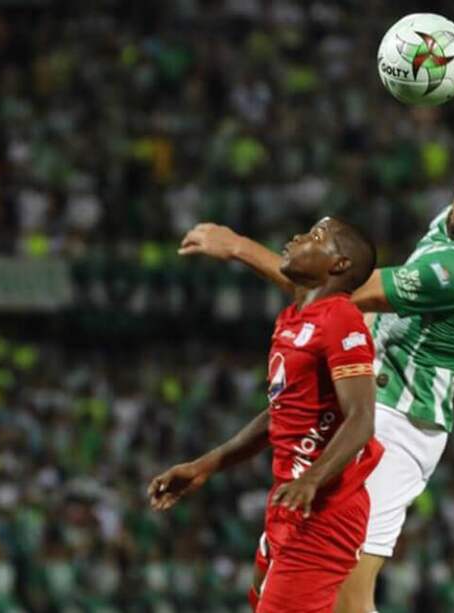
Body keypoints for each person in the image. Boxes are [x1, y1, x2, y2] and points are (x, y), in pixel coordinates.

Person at [178, 149, 454, 612]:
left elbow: (332, 295)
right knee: (275, 566)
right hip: (368, 391)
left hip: (397, 419)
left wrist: (238, 247)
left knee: (346, 594)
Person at [149, 217, 384, 612]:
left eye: (316, 236)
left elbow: (361, 416)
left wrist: (312, 479)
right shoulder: (293, 319)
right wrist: (205, 466)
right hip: (290, 501)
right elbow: (282, 414)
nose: (298, 237)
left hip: (325, 511)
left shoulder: (341, 318)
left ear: (339, 264)